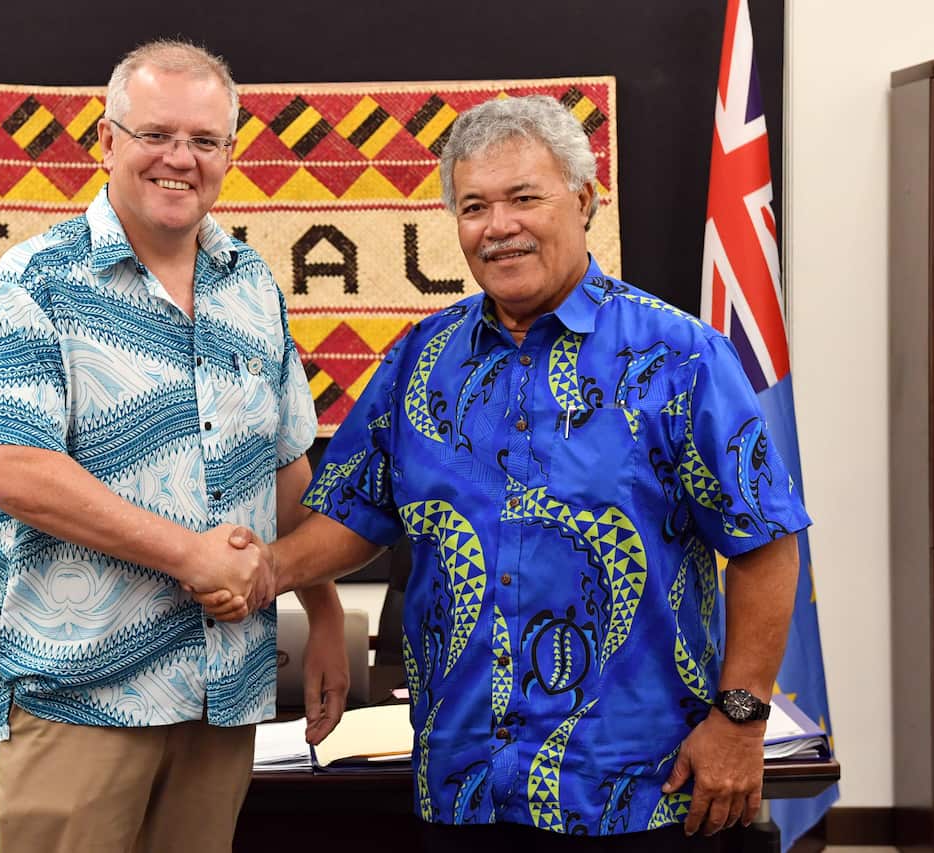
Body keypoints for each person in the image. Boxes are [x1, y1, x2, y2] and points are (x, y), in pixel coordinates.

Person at [202, 94, 809, 852]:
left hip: (636, 789)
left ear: (583, 201)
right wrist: (266, 570)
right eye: (474, 206)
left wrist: (740, 720)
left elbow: (766, 542)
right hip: (465, 785)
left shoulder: (682, 358)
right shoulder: (420, 359)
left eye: (525, 197)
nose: (499, 226)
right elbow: (356, 511)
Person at [0, 39, 347, 853]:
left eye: (205, 142)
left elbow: (283, 467)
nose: (180, 159)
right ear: (106, 141)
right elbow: (5, 465)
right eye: (156, 134)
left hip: (223, 697)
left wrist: (326, 609)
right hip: (83, 701)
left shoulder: (253, 284)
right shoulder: (32, 282)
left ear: (229, 155)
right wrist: (190, 555)